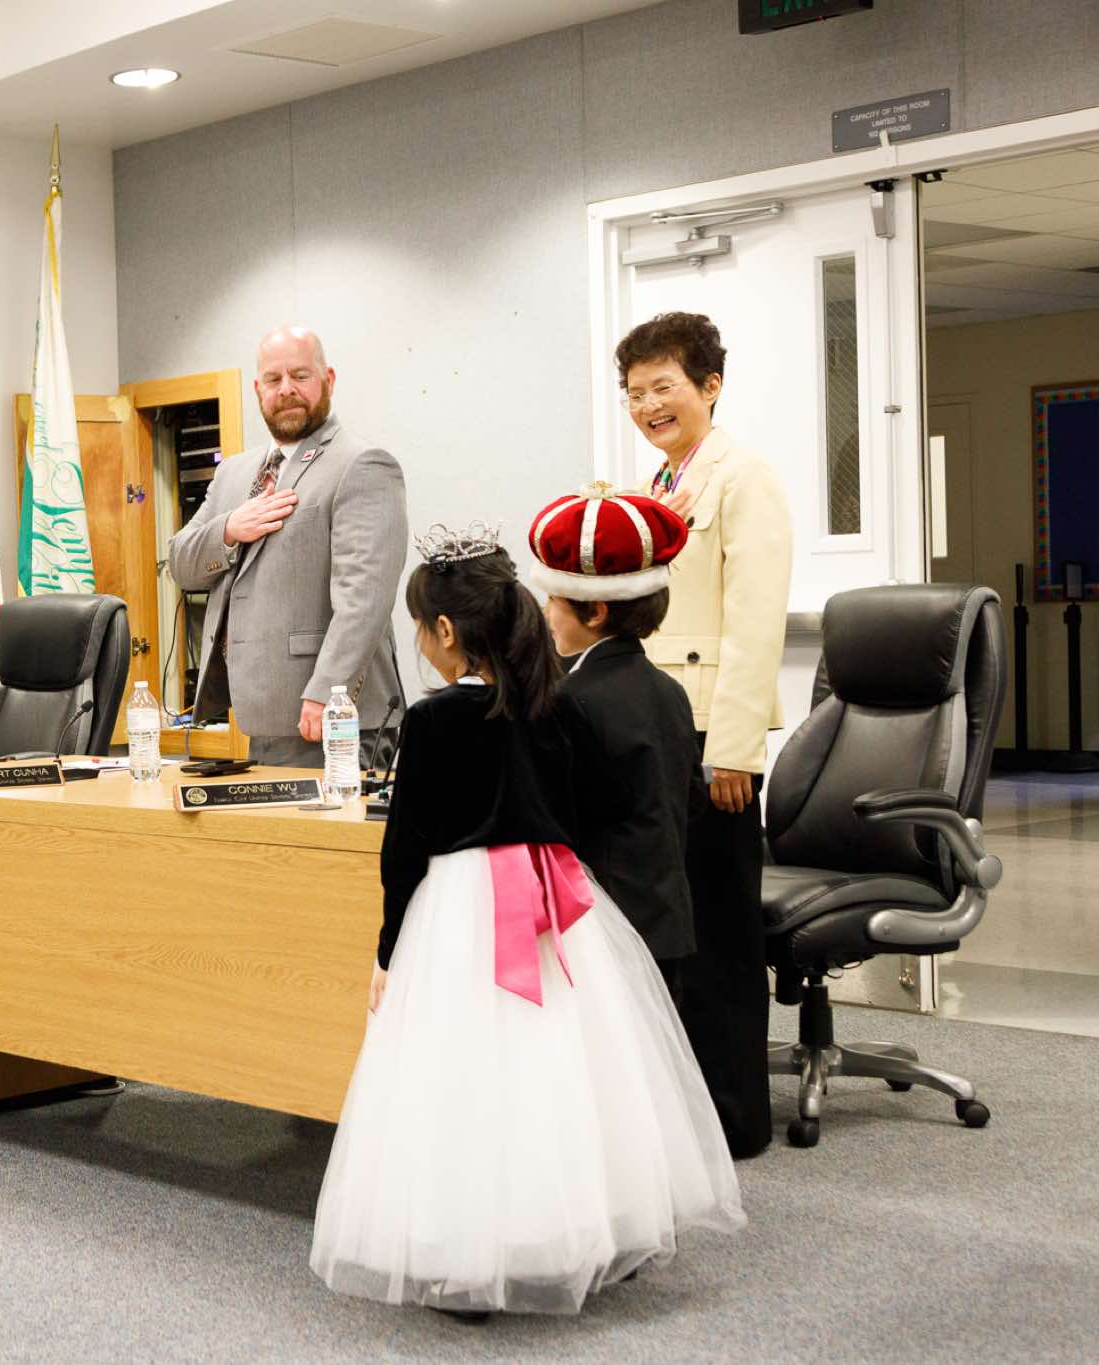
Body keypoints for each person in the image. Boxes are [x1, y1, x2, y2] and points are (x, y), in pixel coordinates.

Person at [311, 525, 742, 1318]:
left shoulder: (434, 722)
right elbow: (577, 815)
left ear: (446, 631)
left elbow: (405, 853)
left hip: (461, 906)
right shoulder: (554, 707)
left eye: (420, 627)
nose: (419, 641)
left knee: (465, 1071)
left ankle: (469, 1252)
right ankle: (584, 1225)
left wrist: (387, 951)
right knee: (563, 1065)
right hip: (552, 898)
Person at [618, 312, 791, 1159]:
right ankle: (683, 1107)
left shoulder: (741, 475)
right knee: (670, 927)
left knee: (721, 932)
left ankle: (737, 1119)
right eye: (635, 392)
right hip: (659, 729)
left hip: (709, 738)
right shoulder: (657, 480)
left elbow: (756, 621)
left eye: (664, 387)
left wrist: (733, 748)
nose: (649, 405)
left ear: (709, 386)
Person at [167, 326, 406, 768]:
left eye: (300, 375)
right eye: (274, 379)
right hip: (261, 719)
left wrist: (328, 691)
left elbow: (364, 598)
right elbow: (181, 563)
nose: (286, 389)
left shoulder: (362, 464)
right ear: (258, 390)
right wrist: (229, 529)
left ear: (328, 380)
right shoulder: (234, 474)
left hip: (334, 719)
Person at [527, 483, 704, 998]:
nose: (546, 614)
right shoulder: (669, 690)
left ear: (597, 610)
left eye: (553, 600)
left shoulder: (570, 700)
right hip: (666, 919)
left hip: (604, 925)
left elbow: (559, 822)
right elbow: (691, 799)